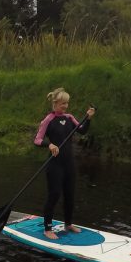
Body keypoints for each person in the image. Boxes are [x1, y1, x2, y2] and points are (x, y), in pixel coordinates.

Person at [33, 88, 96, 240]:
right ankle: (47, 229)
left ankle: (68, 223)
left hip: (69, 164)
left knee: (70, 195)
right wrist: (50, 145)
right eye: (63, 103)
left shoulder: (69, 118)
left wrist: (88, 118)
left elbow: (81, 131)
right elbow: (37, 140)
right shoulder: (48, 119)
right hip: (55, 165)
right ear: (55, 103)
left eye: (67, 103)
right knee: (54, 195)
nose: (66, 106)